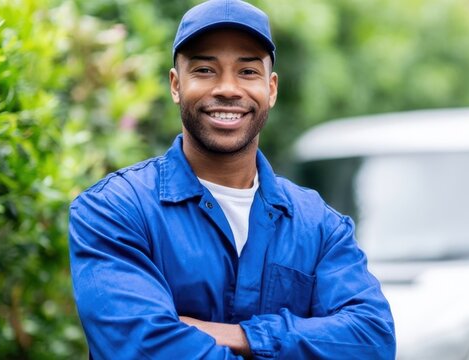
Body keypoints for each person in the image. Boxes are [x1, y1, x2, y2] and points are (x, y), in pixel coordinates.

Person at [67, 0, 396, 358]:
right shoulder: (114, 211)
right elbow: (144, 348)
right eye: (206, 70)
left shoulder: (318, 225)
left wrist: (242, 336)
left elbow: (372, 339)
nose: (227, 88)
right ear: (176, 85)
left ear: (271, 89)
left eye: (247, 72)